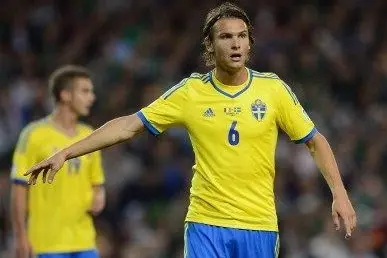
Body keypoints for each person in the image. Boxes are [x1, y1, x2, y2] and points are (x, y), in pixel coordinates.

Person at [24, 3, 356, 258]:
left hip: (259, 225)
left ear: (250, 43)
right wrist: (66, 151)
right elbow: (128, 126)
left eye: (242, 36)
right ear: (211, 46)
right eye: (226, 37)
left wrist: (339, 194)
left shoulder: (273, 91)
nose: (235, 43)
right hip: (205, 223)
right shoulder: (190, 92)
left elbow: (315, 141)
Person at [10, 65, 105, 258]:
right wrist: (20, 236)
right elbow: (19, 188)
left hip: (84, 240)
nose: (92, 97)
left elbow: (97, 182)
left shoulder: (90, 136)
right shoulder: (34, 135)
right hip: (46, 242)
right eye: (85, 91)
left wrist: (100, 195)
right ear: (65, 95)